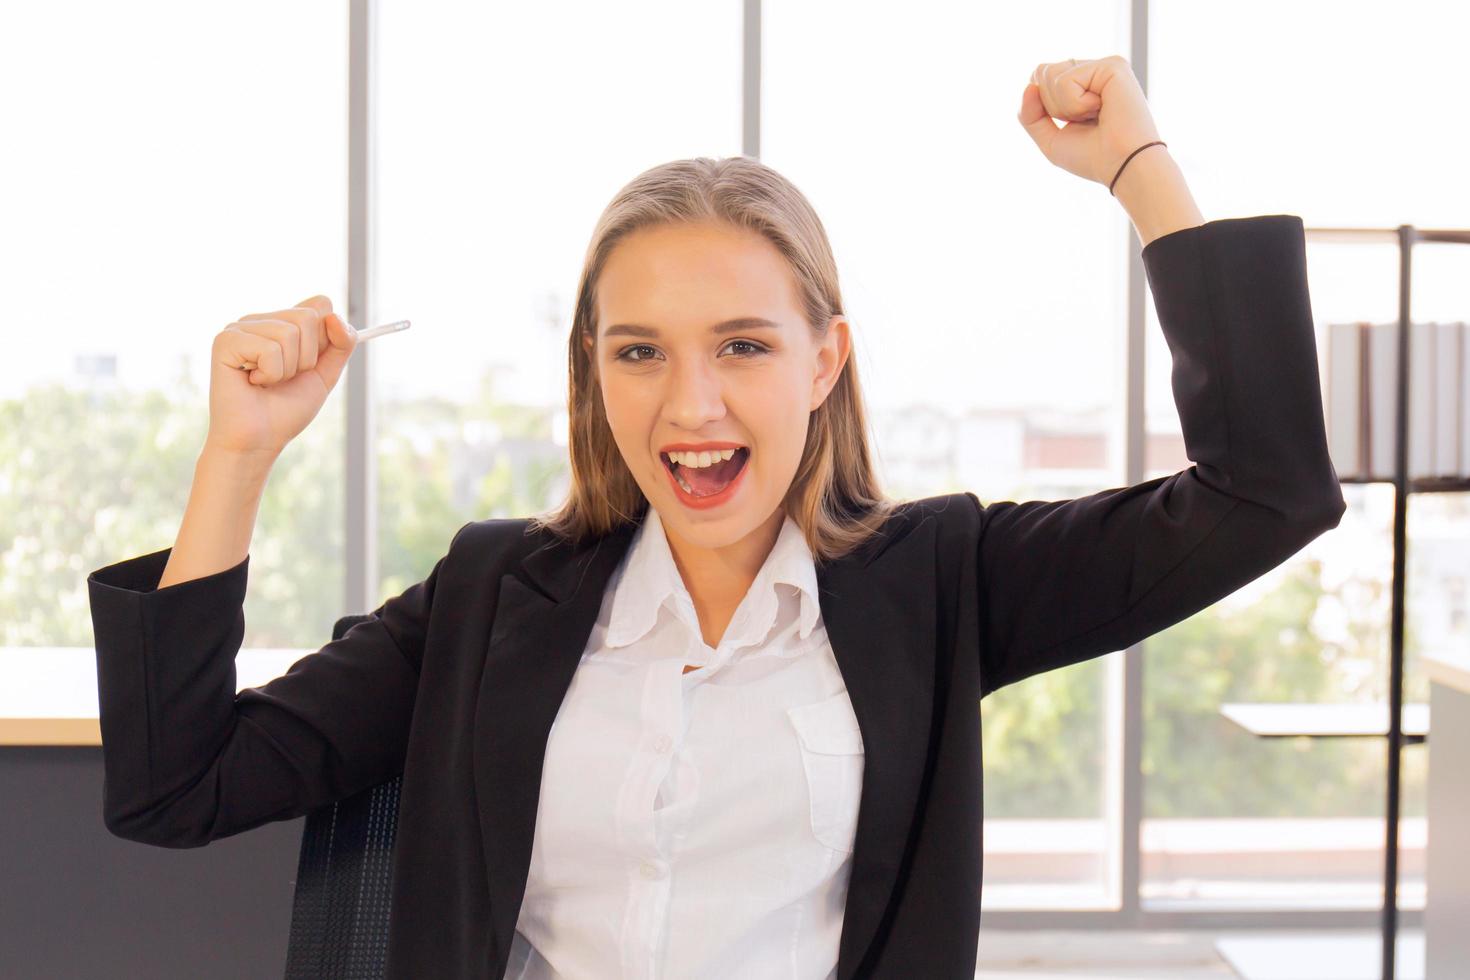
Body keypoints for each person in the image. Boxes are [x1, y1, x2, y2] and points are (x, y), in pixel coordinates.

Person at [86, 56, 1346, 979]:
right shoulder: (489, 597)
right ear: (595, 368)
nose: (691, 404)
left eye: (743, 343)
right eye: (639, 351)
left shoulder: (939, 581)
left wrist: (1141, 169)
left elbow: (1264, 491)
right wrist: (238, 455)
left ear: (826, 359)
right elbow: (176, 787)